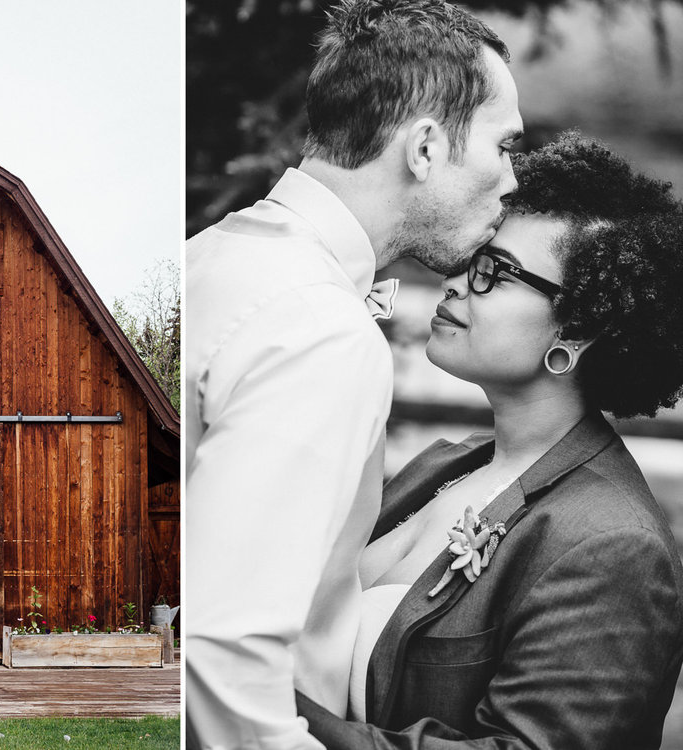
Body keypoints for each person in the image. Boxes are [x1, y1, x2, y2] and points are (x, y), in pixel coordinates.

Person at [185, 0, 522, 746]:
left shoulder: (216, 256)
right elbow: (223, 649)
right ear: (426, 149)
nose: (511, 181)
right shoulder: (320, 330)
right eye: (503, 146)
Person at [295, 132, 683, 749]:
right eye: (470, 259)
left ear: (578, 331)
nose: (453, 283)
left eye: (493, 272)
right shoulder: (445, 463)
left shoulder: (614, 546)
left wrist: (269, 712)